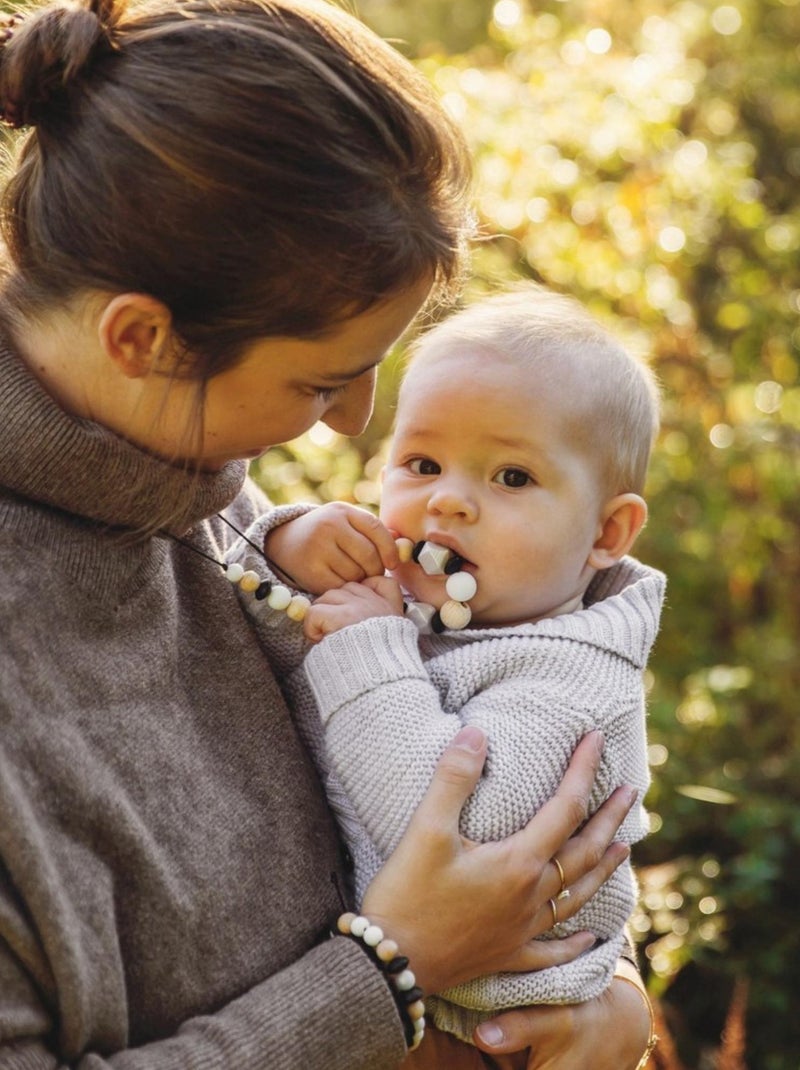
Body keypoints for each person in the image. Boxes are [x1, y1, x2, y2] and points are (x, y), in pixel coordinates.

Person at [0, 0, 655, 1065]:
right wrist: (388, 969)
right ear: (142, 338)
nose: (354, 423)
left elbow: (494, 781)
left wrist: (602, 1002)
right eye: (322, 379)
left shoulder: (219, 505)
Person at [233, 285, 665, 1051]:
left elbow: (450, 840)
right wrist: (289, 550)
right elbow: (249, 655)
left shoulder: (572, 682)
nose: (449, 503)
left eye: (511, 478)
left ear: (607, 532)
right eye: (423, 463)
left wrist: (364, 648)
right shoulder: (429, 616)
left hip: (479, 1037)